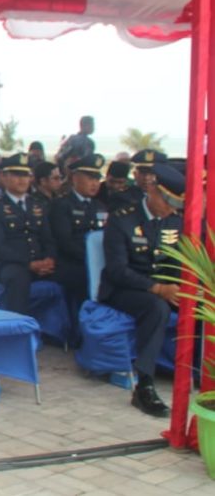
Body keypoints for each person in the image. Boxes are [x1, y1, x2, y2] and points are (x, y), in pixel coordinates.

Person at [99, 162, 183, 417]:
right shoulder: (122, 218)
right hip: (125, 289)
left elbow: (177, 263)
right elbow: (117, 270)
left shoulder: (175, 221)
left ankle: (198, 371)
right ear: (152, 190)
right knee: (157, 308)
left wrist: (181, 289)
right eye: (168, 201)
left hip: (164, 287)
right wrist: (157, 288)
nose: (171, 208)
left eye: (177, 204)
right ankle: (144, 385)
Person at [0, 153, 57, 315]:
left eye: (25, 175)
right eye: (16, 175)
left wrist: (49, 259)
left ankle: (62, 329)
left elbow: (48, 239)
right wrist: (29, 263)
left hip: (40, 263)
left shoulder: (37, 205)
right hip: (9, 264)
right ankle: (18, 323)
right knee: (17, 278)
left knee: (70, 274)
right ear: (3, 177)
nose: (22, 180)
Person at [50, 154, 106, 343]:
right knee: (83, 279)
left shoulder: (100, 206)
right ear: (74, 178)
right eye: (90, 178)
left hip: (97, 264)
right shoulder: (62, 205)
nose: (95, 183)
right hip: (72, 263)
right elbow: (65, 242)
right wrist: (91, 260)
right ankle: (80, 335)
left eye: (97, 178)